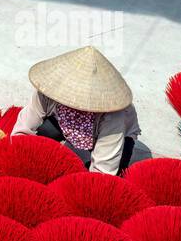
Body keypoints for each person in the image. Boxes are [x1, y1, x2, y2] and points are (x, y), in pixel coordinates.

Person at [11, 45, 140, 175]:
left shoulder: (113, 115)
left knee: (116, 176)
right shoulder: (47, 92)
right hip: (60, 123)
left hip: (119, 135)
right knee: (42, 136)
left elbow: (102, 172)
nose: (74, 102)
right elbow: (22, 132)